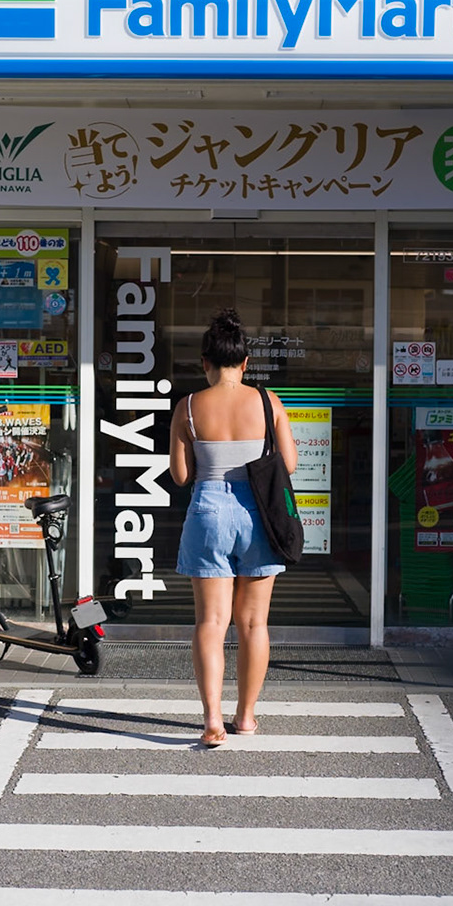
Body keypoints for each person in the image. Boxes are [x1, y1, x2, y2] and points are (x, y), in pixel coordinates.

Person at [169, 309, 298, 747]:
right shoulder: (268, 402)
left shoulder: (188, 407)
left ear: (205, 363)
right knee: (253, 624)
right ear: (244, 364)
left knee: (211, 621)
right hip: (259, 514)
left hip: (209, 511)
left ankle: (211, 721)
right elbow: (290, 465)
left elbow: (181, 476)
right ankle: (246, 717)